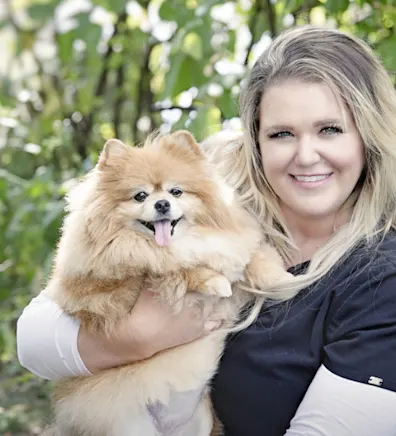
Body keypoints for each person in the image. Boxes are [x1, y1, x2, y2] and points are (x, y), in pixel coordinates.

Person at [17, 24, 396, 435]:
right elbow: (34, 339)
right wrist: (134, 337)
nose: (306, 156)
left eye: (330, 129)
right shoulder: (217, 194)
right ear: (256, 140)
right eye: (281, 134)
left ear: (368, 134)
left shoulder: (380, 280)